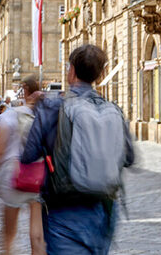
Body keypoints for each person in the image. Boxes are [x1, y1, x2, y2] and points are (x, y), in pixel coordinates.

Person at [22, 44, 135, 255]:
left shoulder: (51, 107)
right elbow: (129, 158)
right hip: (104, 212)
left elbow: (28, 155)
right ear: (100, 75)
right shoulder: (113, 109)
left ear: (71, 71)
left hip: (64, 211)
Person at [0, 76, 45, 255]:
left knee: (9, 236)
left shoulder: (9, 114)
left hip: (14, 174)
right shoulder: (43, 115)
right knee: (38, 237)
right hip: (38, 174)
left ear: (23, 92)